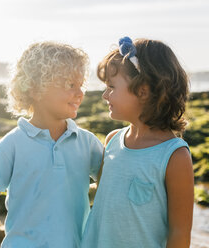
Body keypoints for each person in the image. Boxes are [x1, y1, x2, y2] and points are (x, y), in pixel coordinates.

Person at [0, 41, 104, 248]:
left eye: (80, 84)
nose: (80, 93)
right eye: (69, 85)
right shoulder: (13, 143)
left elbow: (110, 185)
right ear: (36, 89)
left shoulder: (88, 143)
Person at [81, 37, 194, 248]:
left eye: (112, 87)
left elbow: (179, 233)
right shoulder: (112, 140)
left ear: (142, 91)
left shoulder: (174, 156)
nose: (105, 95)